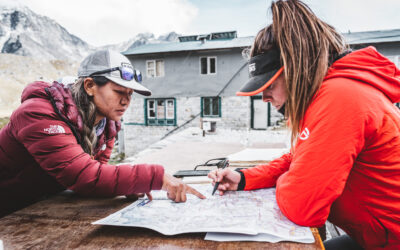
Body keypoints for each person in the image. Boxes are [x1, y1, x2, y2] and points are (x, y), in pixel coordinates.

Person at [208, 0, 400, 249]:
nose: (264, 97)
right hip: (376, 236)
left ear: (295, 69)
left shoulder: (341, 98)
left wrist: (296, 181)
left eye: (270, 85)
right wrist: (243, 179)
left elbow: (303, 207)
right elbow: (297, 159)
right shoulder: (335, 91)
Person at [0, 49, 205, 218]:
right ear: (89, 85)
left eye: (130, 94)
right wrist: (156, 177)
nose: (126, 101)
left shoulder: (106, 126)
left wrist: (128, 185)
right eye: (119, 92)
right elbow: (86, 176)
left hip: (32, 210)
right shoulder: (38, 113)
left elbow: (94, 177)